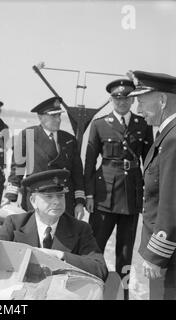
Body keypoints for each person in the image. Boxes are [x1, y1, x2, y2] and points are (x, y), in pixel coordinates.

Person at [84, 78, 153, 299]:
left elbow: (150, 162)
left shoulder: (142, 125)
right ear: (112, 100)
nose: (122, 102)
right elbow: (89, 164)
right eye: (117, 98)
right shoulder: (99, 124)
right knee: (95, 248)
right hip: (103, 196)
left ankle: (122, 294)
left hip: (131, 196)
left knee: (125, 253)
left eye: (126, 98)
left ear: (132, 101)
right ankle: (90, 289)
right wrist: (89, 194)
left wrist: (147, 195)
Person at [0, 169, 108, 281]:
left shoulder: (80, 229)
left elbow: (100, 268)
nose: (56, 202)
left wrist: (60, 256)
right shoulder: (15, 223)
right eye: (49, 197)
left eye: (60, 196)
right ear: (33, 201)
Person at [127, 70, 176, 300]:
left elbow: (171, 201)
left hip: (169, 256)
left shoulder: (173, 138)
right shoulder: (166, 135)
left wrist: (156, 254)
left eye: (141, 102)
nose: (137, 110)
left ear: (163, 100)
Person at [4, 97, 85, 218]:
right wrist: (11, 195)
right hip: (38, 195)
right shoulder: (28, 135)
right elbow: (18, 167)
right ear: (40, 117)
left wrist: (79, 202)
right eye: (53, 116)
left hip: (63, 197)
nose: (58, 120)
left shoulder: (69, 139)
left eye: (59, 115)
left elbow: (77, 172)